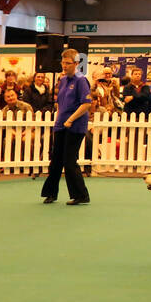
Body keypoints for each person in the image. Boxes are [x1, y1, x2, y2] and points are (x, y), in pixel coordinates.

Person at [41, 48, 91, 205]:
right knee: (55, 160)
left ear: (76, 63)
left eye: (68, 63)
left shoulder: (81, 80)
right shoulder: (62, 80)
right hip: (61, 125)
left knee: (69, 161)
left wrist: (71, 119)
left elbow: (86, 104)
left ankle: (81, 195)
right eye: (63, 63)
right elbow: (61, 103)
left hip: (75, 127)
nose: (64, 66)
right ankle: (51, 193)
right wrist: (60, 119)